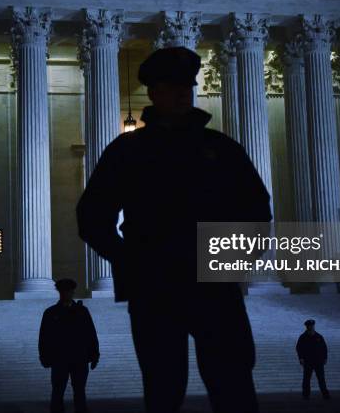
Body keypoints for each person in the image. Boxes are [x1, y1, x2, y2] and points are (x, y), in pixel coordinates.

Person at [76, 46, 272, 413]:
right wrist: (131, 260)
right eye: (172, 85)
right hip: (156, 286)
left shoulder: (220, 148)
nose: (184, 92)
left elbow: (257, 212)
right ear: (153, 92)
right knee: (164, 389)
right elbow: (92, 217)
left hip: (212, 283)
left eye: (187, 84)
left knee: (233, 387)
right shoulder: (128, 151)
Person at [38, 278, 100, 413]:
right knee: (58, 392)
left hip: (79, 358)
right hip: (60, 359)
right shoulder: (50, 313)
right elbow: (44, 337)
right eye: (64, 291)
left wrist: (94, 355)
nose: (66, 294)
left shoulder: (82, 311)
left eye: (69, 291)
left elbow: (91, 334)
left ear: (72, 292)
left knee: (79, 392)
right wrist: (45, 357)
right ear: (60, 293)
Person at [296, 319, 330, 400]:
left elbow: (324, 348)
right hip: (308, 361)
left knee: (321, 378)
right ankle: (306, 395)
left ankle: (325, 394)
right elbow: (298, 348)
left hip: (318, 361)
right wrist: (301, 358)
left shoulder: (319, 336)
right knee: (307, 379)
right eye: (309, 326)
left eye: (312, 326)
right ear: (307, 327)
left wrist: (325, 357)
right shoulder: (303, 337)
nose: (311, 327)